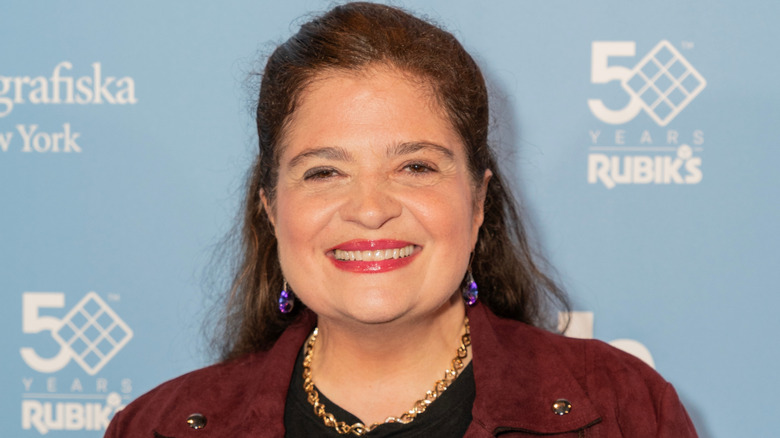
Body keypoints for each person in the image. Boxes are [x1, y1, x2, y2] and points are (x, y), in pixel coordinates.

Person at [105, 2, 698, 437]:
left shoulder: (625, 409)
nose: (370, 209)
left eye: (415, 167)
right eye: (324, 172)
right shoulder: (154, 427)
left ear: (478, 202)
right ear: (270, 209)